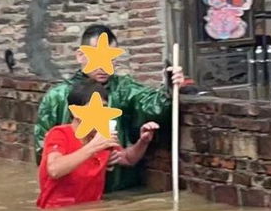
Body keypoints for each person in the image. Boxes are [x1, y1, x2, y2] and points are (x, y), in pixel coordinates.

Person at [34, 24, 184, 193]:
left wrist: (170, 88)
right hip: (73, 191)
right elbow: (44, 154)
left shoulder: (124, 89)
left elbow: (155, 107)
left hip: (119, 189)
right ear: (80, 56)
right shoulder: (57, 97)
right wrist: (90, 159)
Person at [37, 79, 160, 209]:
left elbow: (128, 159)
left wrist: (143, 141)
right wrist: (93, 147)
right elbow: (55, 170)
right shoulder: (59, 134)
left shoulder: (102, 135)